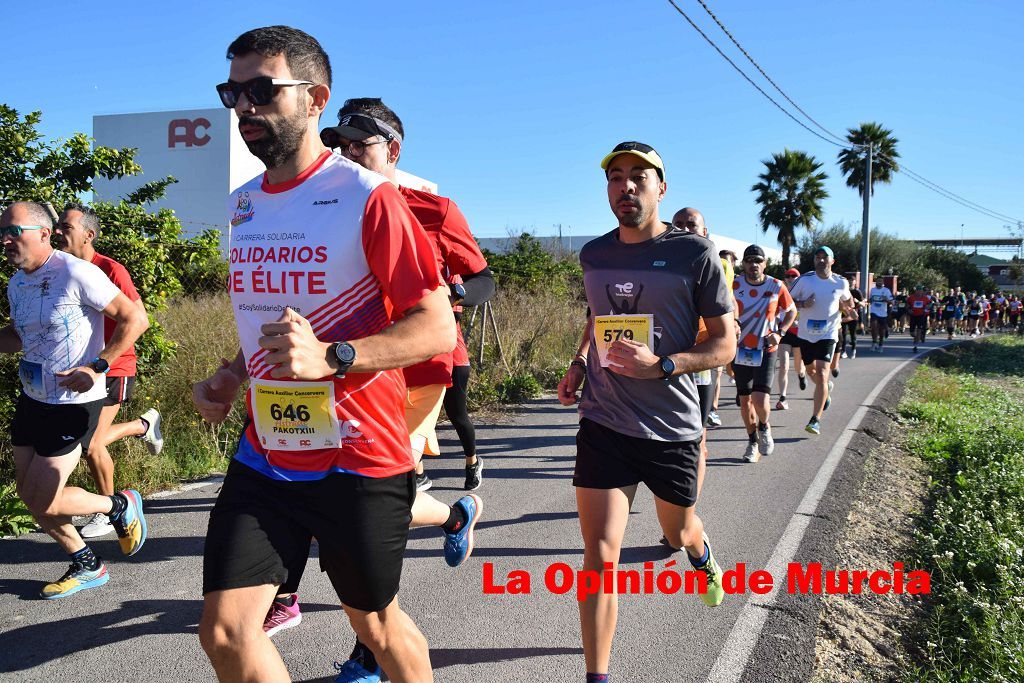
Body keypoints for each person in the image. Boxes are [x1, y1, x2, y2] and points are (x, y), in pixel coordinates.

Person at [194, 26, 453, 683]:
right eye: (233, 92)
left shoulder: (367, 197)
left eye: (261, 90)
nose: (244, 107)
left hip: (358, 457)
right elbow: (265, 324)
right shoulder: (242, 206)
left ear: (315, 99)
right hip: (269, 451)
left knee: (377, 626)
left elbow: (435, 329)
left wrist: (334, 357)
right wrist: (230, 375)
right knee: (225, 631)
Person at [317, 98, 493, 682]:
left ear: (392, 151)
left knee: (370, 505)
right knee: (357, 501)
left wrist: (449, 297)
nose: (346, 157)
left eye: (359, 146)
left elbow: (484, 280)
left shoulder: (434, 209)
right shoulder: (324, 206)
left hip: (420, 373)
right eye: (338, 145)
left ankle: (371, 649)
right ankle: (453, 517)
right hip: (349, 376)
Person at [557, 141, 735, 682]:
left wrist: (662, 365)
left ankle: (701, 556)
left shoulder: (694, 256)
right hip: (605, 420)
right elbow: (597, 317)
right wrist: (581, 363)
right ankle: (597, 676)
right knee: (600, 556)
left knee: (678, 532)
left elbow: (725, 343)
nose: (626, 187)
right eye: (615, 177)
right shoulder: (594, 254)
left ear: (662, 187)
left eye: (639, 176)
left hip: (672, 427)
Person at [1, 201, 150, 599]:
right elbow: (20, 338)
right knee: (28, 495)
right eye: (3, 232)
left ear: (43, 234)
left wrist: (97, 366)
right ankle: (87, 563)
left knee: (45, 498)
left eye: (14, 232)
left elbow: (136, 319)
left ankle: (116, 505)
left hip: (73, 403)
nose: (5, 240)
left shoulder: (77, 273)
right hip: (33, 398)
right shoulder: (17, 283)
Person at [53, 204, 164, 539]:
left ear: (89, 234)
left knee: (91, 444)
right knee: (84, 441)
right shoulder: (60, 269)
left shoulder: (111, 269)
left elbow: (139, 319)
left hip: (113, 366)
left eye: (66, 226)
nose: (58, 231)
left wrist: (103, 361)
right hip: (76, 371)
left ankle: (111, 507)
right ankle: (142, 425)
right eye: (56, 225)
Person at [731, 245, 795, 462]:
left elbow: (792, 311)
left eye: (758, 260)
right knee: (745, 400)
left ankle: (764, 427)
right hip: (741, 349)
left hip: (766, 348)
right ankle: (752, 441)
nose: (753, 264)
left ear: (765, 264)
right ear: (743, 264)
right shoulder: (734, 284)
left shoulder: (776, 285)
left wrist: (781, 332)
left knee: (760, 399)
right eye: (749, 260)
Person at [787, 246, 854, 435]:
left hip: (828, 333)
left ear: (832, 261)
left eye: (825, 257)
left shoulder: (840, 282)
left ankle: (815, 419)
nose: (821, 260)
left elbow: (848, 301)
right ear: (814, 260)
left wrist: (851, 309)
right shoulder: (805, 280)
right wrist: (803, 304)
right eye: (818, 257)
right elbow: (788, 302)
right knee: (811, 372)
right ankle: (825, 392)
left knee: (823, 373)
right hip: (806, 334)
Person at [707, 248, 738, 426]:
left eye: (727, 262)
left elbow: (732, 303)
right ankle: (710, 409)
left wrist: (736, 322)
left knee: (718, 373)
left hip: (721, 335)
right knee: (718, 372)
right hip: (699, 335)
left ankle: (713, 409)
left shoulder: (731, 282)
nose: (724, 265)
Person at [775, 267, 805, 410]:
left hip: (800, 334)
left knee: (799, 366)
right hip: (785, 332)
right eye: (788, 276)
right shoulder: (780, 292)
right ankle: (783, 398)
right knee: (784, 366)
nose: (791, 278)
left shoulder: (804, 292)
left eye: (794, 276)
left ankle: (801, 375)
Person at [867, 277, 893, 352]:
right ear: (876, 282)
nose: (880, 282)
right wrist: (870, 300)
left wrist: (886, 300)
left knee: (882, 330)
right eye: (878, 281)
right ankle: (874, 342)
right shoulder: (873, 290)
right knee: (873, 326)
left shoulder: (886, 290)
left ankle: (881, 344)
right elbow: (870, 300)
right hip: (874, 311)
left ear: (883, 282)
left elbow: (892, 302)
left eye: (881, 281)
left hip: (883, 313)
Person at [906, 283, 931, 352]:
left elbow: (930, 304)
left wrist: (928, 306)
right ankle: (917, 337)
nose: (919, 291)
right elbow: (907, 305)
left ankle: (915, 345)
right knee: (912, 333)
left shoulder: (925, 298)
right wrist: (909, 310)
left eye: (920, 290)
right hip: (913, 315)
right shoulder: (911, 297)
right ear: (915, 291)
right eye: (918, 290)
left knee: (919, 329)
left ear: (922, 291)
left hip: (921, 315)